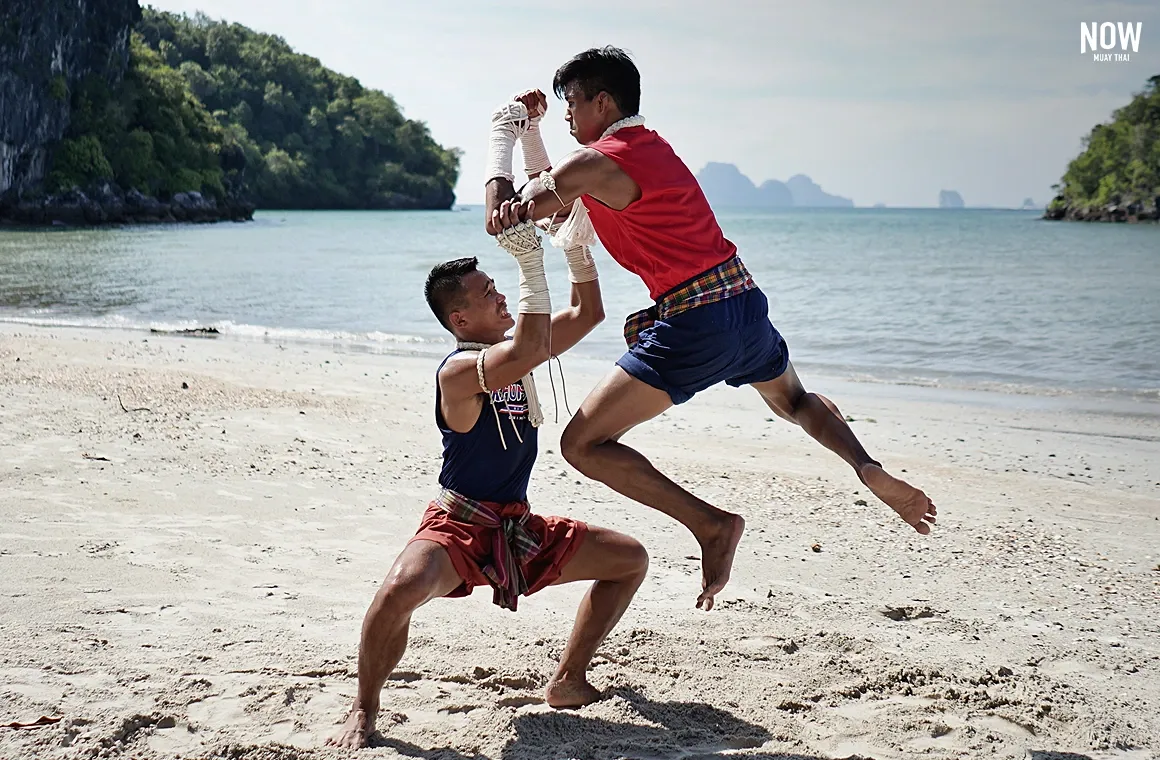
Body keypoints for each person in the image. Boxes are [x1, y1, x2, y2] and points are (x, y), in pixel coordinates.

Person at [482, 46, 937, 613]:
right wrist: (532, 135)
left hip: (695, 322)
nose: (567, 115)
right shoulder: (649, 149)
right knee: (794, 401)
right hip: (743, 302)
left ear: (604, 100)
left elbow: (505, 213)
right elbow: (556, 199)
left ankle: (711, 526)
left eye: (571, 103)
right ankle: (866, 467)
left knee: (583, 444)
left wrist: (504, 128)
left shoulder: (592, 163)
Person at [326, 202, 649, 749]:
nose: (502, 296)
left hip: (515, 528)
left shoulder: (511, 356)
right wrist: (529, 261)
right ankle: (364, 707)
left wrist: (574, 249)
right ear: (460, 320)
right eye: (489, 292)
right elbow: (529, 344)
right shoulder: (458, 371)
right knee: (395, 595)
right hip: (457, 526)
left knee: (629, 560)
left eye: (501, 285)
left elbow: (588, 313)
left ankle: (568, 680)